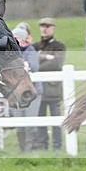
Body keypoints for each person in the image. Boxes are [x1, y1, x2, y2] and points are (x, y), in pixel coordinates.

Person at [32, 17, 67, 151]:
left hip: (53, 90)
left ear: (53, 28)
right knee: (40, 120)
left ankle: (57, 147)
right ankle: (42, 146)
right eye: (42, 26)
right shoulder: (34, 46)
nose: (44, 29)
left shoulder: (59, 46)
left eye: (47, 26)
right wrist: (46, 57)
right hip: (38, 90)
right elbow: (30, 60)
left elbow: (57, 63)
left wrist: (38, 62)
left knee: (56, 120)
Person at [9, 27, 42, 152]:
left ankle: (29, 147)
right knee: (19, 120)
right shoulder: (9, 52)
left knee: (30, 119)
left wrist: (22, 64)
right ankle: (22, 148)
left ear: (22, 39)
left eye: (16, 38)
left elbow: (34, 67)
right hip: (16, 92)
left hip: (31, 91)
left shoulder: (30, 49)